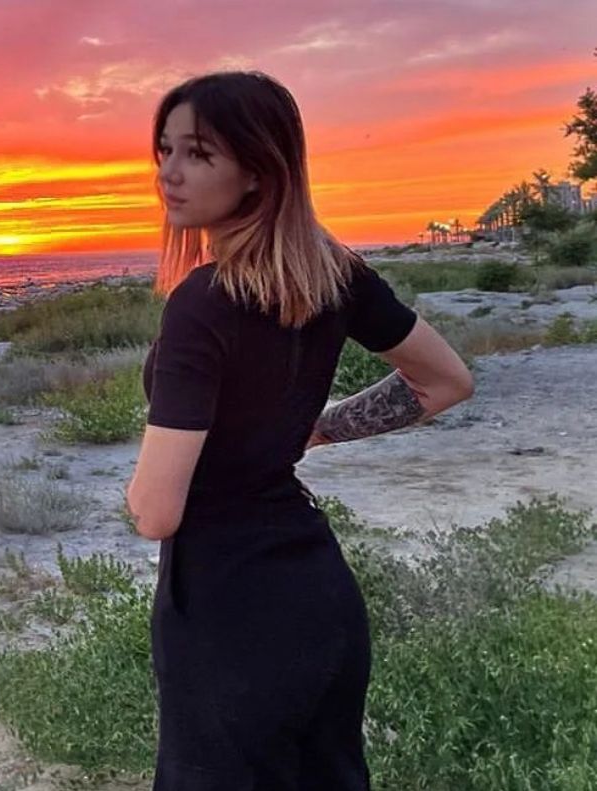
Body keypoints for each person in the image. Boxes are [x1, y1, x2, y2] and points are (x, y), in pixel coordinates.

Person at [124, 71, 475, 790]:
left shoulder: (202, 303)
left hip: (226, 608)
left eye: (198, 153)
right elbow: (445, 381)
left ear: (259, 170)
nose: (169, 174)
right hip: (318, 593)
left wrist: (142, 487)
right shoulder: (336, 275)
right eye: (165, 150)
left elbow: (156, 511)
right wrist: (318, 430)